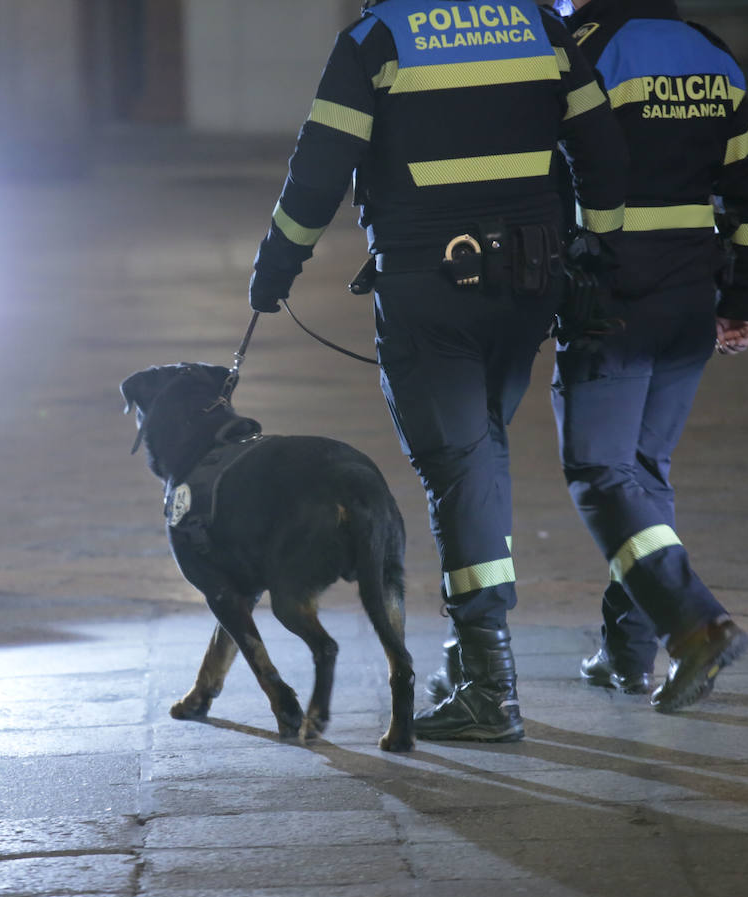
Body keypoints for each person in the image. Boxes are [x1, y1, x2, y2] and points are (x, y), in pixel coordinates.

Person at [249, 0, 627, 741]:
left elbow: (318, 171)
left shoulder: (379, 39)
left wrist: (276, 268)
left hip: (431, 290)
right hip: (528, 284)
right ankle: (470, 658)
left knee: (461, 465)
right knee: (478, 454)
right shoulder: (540, 27)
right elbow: (602, 151)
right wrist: (596, 250)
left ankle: (491, 684)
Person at [551, 0, 748, 710]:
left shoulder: (582, 45)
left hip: (612, 296)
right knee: (641, 471)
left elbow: (551, 169)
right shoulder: (710, 51)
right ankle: (627, 651)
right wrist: (742, 298)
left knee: (599, 469)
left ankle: (695, 624)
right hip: (690, 299)